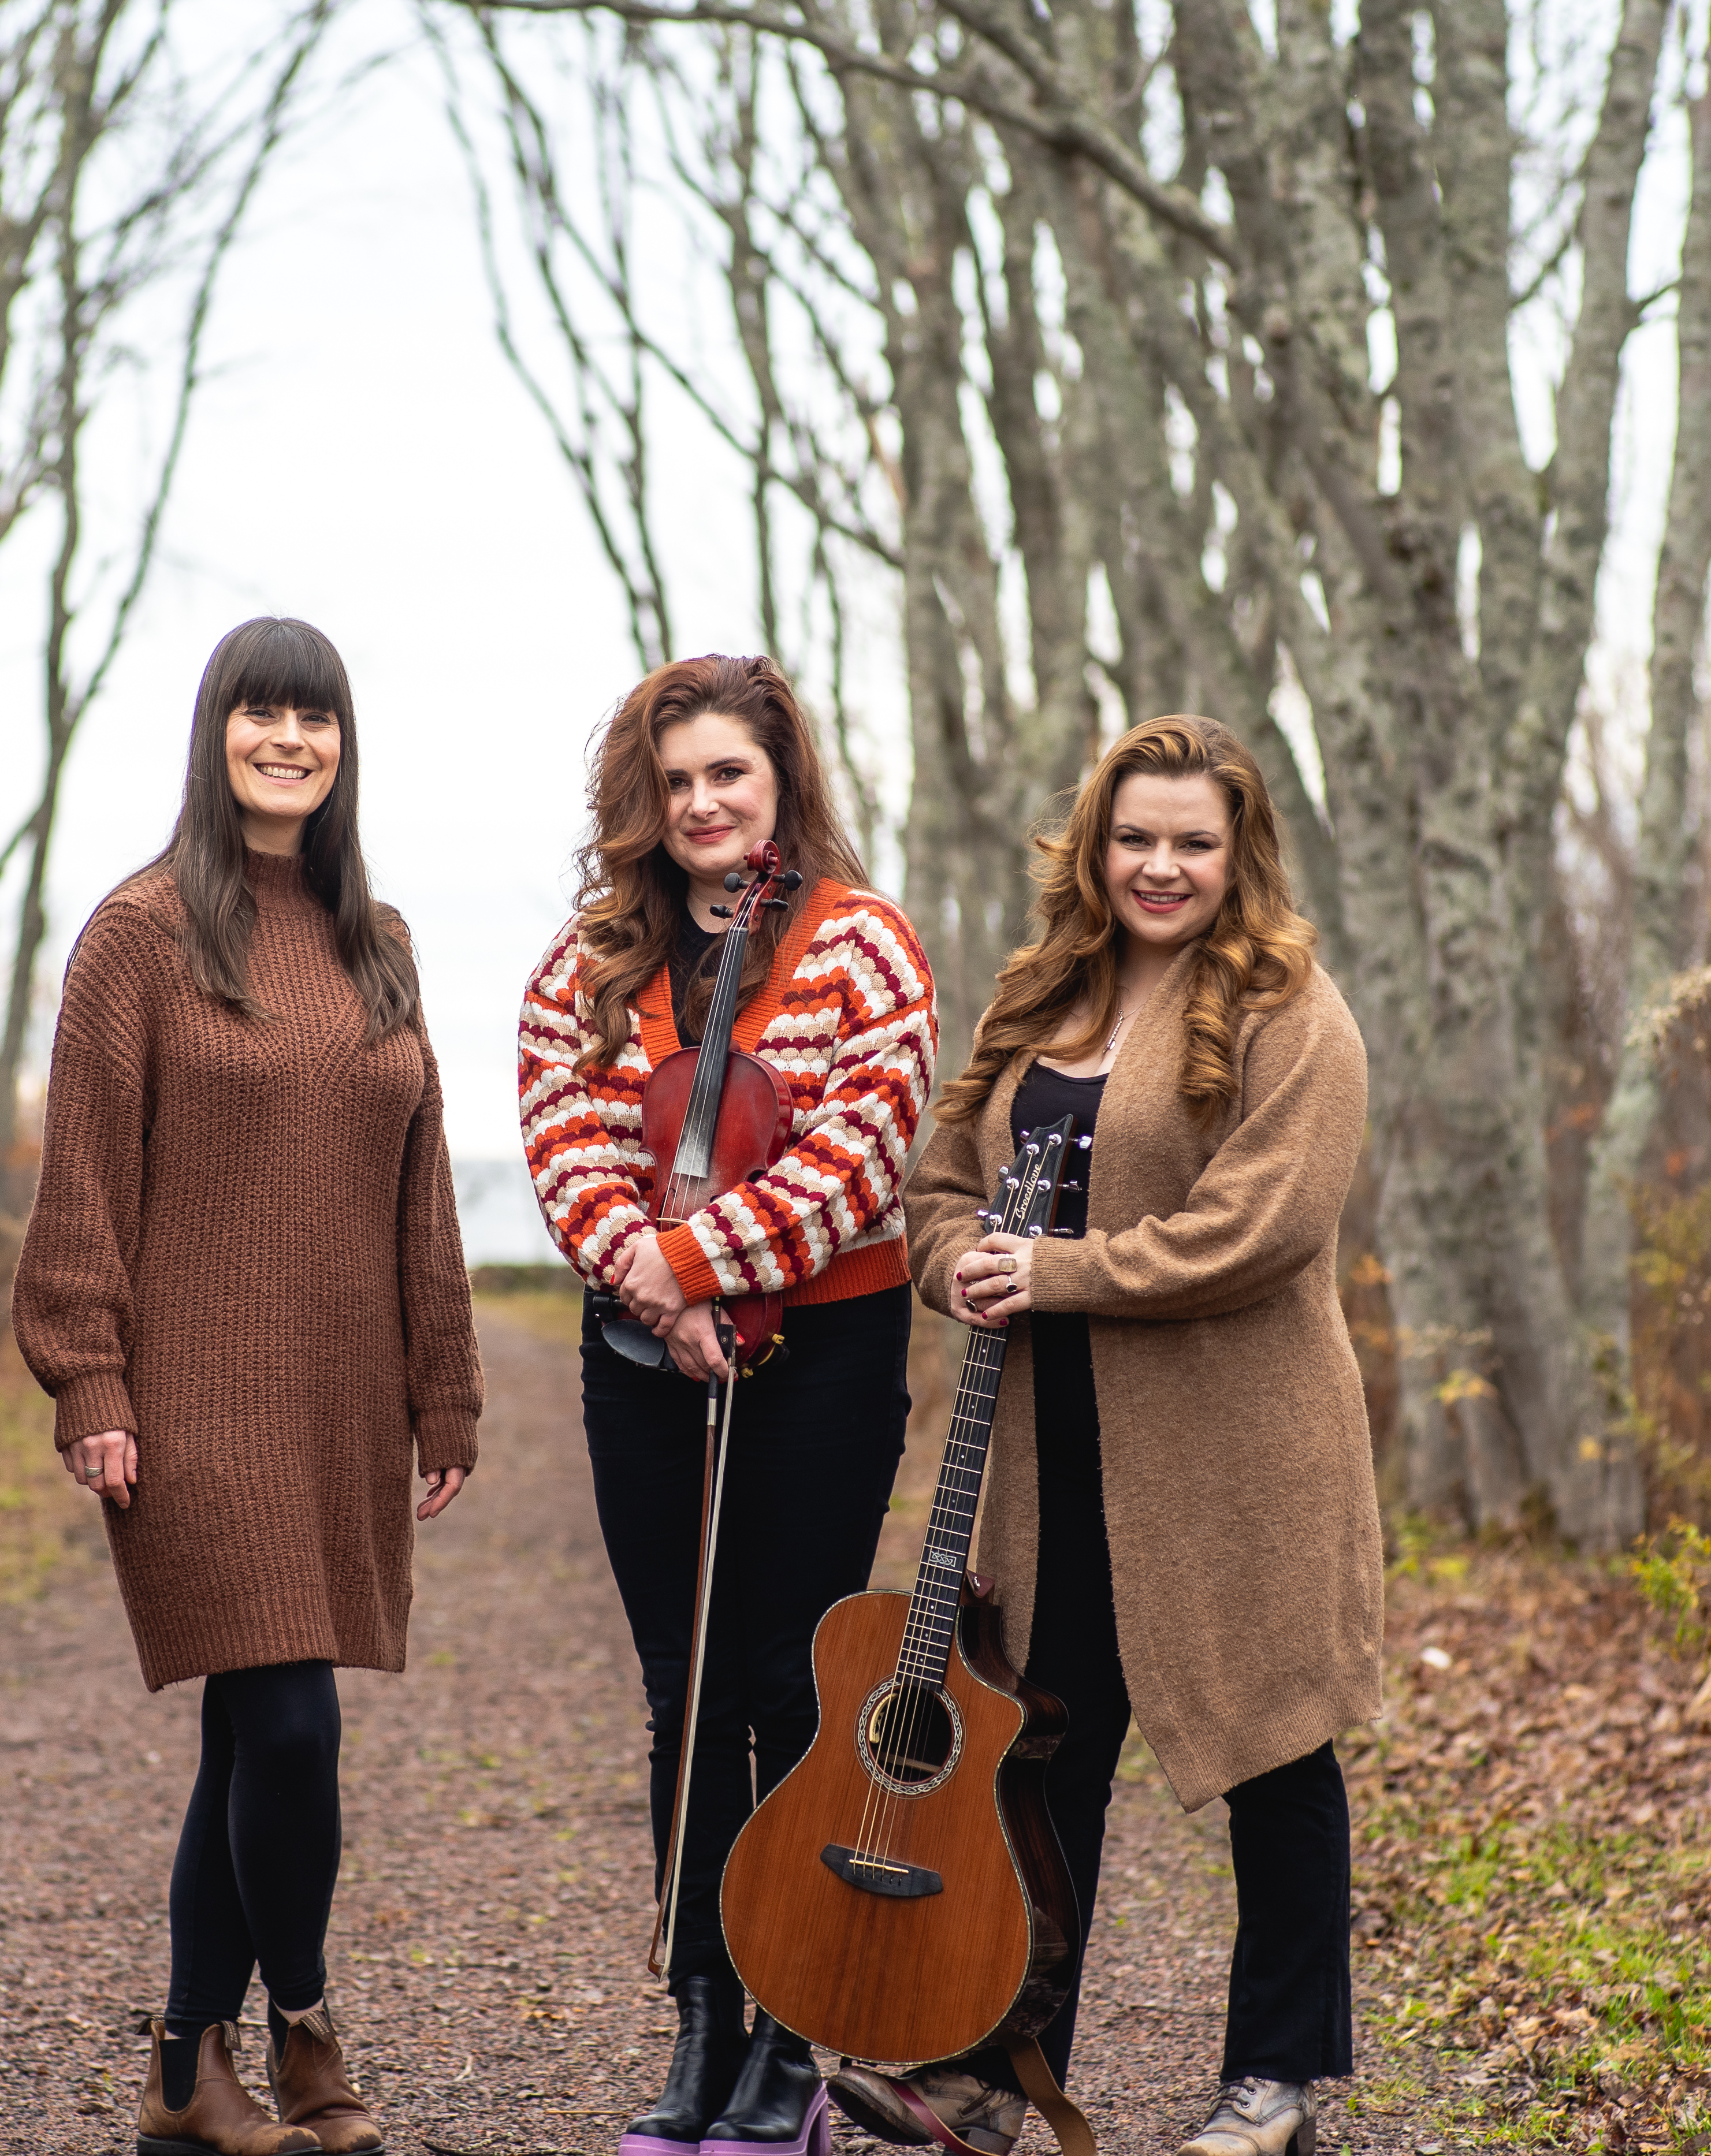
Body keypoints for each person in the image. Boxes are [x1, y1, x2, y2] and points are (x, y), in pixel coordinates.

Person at [831, 713, 1377, 2156]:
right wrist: (961, 1262)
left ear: (1237, 851)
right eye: (1135, 836)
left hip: (1238, 1457)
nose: (1160, 865)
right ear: (1095, 843)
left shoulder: (1291, 1012)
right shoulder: (1042, 995)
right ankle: (996, 2078)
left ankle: (1272, 2085)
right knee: (1034, 1759)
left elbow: (1264, 1224)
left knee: (1275, 1752)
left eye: (1193, 841)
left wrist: (1062, 1270)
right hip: (1047, 1448)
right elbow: (942, 1185)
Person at [16, 616, 482, 2156]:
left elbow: (422, 1183)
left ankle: (184, 2067)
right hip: (190, 1395)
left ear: (345, 744)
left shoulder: (379, 938)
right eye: (260, 713)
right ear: (215, 731)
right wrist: (89, 1378)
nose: (290, 739)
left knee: (249, 1728)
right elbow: (81, 1174)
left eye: (317, 717)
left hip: (341, 1393)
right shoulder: (140, 934)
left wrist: (447, 1384)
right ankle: (303, 2019)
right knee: (285, 1723)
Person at [516, 654, 938, 2156]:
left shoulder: (863, 944)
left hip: (822, 1348)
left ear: (779, 783)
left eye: (729, 777)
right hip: (639, 1360)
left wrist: (689, 1257)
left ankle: (788, 2028)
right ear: (647, 797)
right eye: (677, 779)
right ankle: (699, 2010)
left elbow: (856, 1157)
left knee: (786, 1679)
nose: (702, 803)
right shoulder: (594, 954)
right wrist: (650, 1281)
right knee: (679, 1688)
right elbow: (561, 1135)